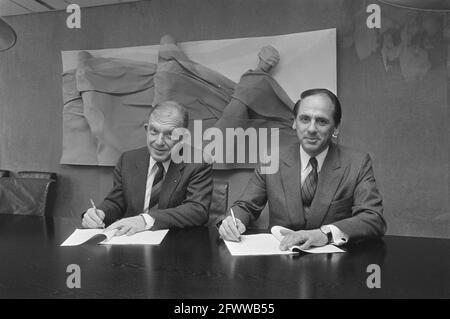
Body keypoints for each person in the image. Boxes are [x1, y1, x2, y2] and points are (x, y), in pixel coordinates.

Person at [218, 89, 386, 250]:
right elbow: (245, 206)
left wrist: (325, 233)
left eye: (322, 121)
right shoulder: (272, 158)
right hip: (280, 260)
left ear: (335, 128)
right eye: (305, 119)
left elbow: (373, 218)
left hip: (334, 265)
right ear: (294, 122)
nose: (311, 129)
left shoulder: (357, 163)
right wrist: (233, 221)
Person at [82, 101, 213, 235]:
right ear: (147, 129)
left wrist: (145, 220)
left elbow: (197, 210)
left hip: (174, 243)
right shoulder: (128, 160)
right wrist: (100, 213)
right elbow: (116, 202)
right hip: (131, 241)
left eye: (169, 135)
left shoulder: (198, 162)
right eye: (154, 132)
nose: (159, 142)